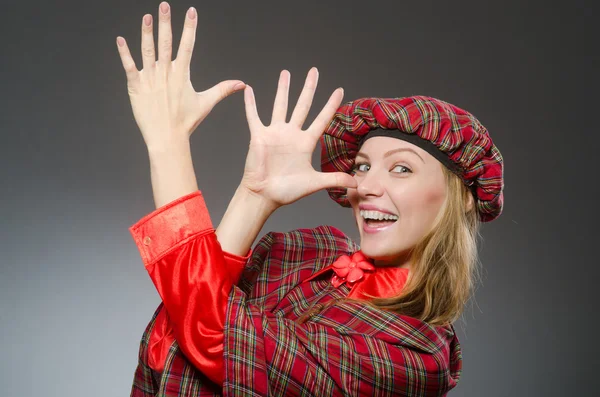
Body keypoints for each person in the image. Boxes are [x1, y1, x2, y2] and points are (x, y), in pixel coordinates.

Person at [116, 2, 504, 396]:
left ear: (465, 197)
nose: (366, 186)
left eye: (401, 169)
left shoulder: (415, 359)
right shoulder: (308, 252)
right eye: (364, 166)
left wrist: (168, 143)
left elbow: (214, 333)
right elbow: (172, 339)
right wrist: (254, 196)